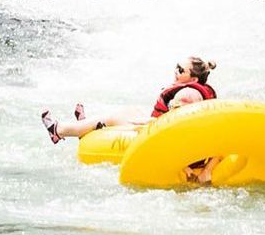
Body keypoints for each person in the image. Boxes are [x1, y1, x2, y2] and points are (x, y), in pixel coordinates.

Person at [42, 57, 224, 182]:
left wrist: (186, 167)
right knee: (132, 111)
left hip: (170, 148)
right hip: (178, 144)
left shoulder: (186, 96)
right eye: (176, 66)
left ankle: (59, 130)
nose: (175, 71)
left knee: (118, 116)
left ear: (192, 78)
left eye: (180, 70)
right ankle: (84, 128)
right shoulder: (198, 92)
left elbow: (179, 132)